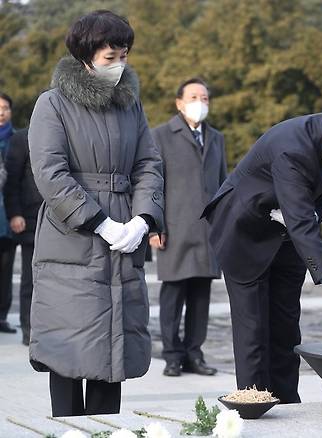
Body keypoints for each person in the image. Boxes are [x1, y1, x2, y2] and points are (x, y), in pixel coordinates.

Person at [202, 92, 322, 404]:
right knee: (254, 330)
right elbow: (303, 225)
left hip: (287, 237)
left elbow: (320, 200)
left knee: (286, 328)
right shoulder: (293, 148)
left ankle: (288, 405)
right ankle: (254, 407)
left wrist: (311, 213)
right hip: (245, 231)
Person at [27, 10, 164, 417]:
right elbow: (50, 173)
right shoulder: (51, 104)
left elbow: (148, 164)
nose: (119, 64)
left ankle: (107, 427)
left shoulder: (130, 106)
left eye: (124, 55)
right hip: (72, 236)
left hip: (125, 230)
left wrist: (142, 220)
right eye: (110, 56)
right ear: (86, 55)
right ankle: (67, 427)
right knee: (69, 343)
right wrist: (99, 222)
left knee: (114, 347)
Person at [150, 78, 227, 377]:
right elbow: (153, 185)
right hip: (174, 228)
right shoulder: (160, 136)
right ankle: (172, 355)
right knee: (173, 294)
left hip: (207, 231)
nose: (201, 102)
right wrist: (154, 225)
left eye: (206, 97)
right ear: (179, 102)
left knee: (200, 296)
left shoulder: (216, 138)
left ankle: (195, 353)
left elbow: (222, 185)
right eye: (194, 96)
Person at [4, 127, 42, 346]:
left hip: (60, 219)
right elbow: (12, 182)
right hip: (29, 218)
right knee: (30, 279)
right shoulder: (22, 139)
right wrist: (15, 213)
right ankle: (29, 328)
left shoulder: (66, 132)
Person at [0, 92, 15, 335]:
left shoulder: (18, 139)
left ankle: (2, 316)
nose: (0, 112)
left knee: (5, 268)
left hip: (9, 214)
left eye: (4, 108)